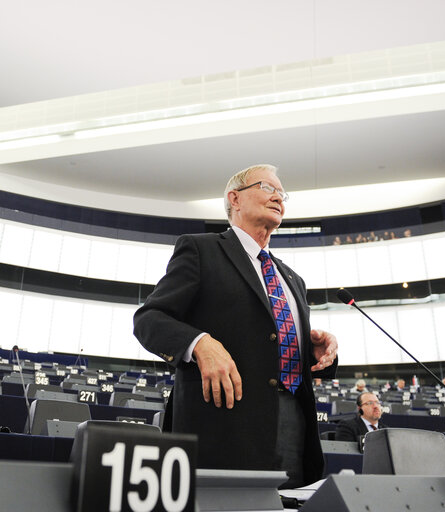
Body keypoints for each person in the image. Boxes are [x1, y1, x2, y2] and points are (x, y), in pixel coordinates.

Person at [133, 164, 338, 488]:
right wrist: (200, 343)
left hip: (294, 430)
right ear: (235, 198)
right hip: (224, 429)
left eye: (282, 194)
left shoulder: (293, 280)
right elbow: (149, 319)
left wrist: (313, 351)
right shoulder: (201, 250)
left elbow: (271, 344)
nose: (279, 199)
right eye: (268, 188)